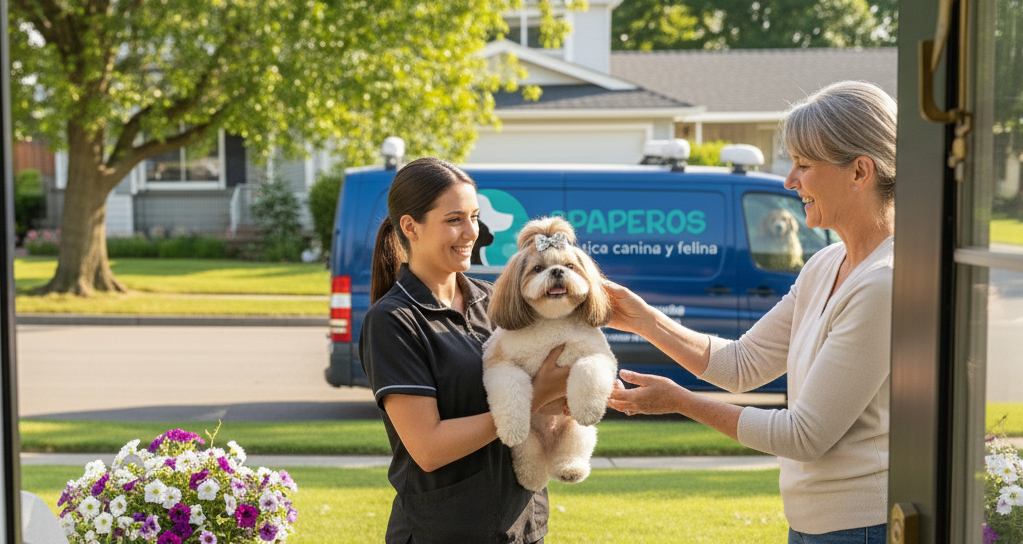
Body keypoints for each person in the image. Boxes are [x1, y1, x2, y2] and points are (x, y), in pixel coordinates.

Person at [604, 81, 898, 544]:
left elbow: (803, 436)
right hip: (813, 525)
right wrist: (641, 319)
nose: (789, 181)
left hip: (860, 528)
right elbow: (741, 365)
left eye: (803, 164)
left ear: (860, 172)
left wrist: (680, 402)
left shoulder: (883, 284)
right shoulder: (825, 264)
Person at [362, 157, 571, 544]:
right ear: (410, 226)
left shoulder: (496, 301)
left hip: (523, 525)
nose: (471, 232)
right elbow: (429, 447)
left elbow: (541, 384)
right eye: (454, 219)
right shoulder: (392, 321)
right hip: (445, 532)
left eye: (475, 216)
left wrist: (567, 394)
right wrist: (534, 397)